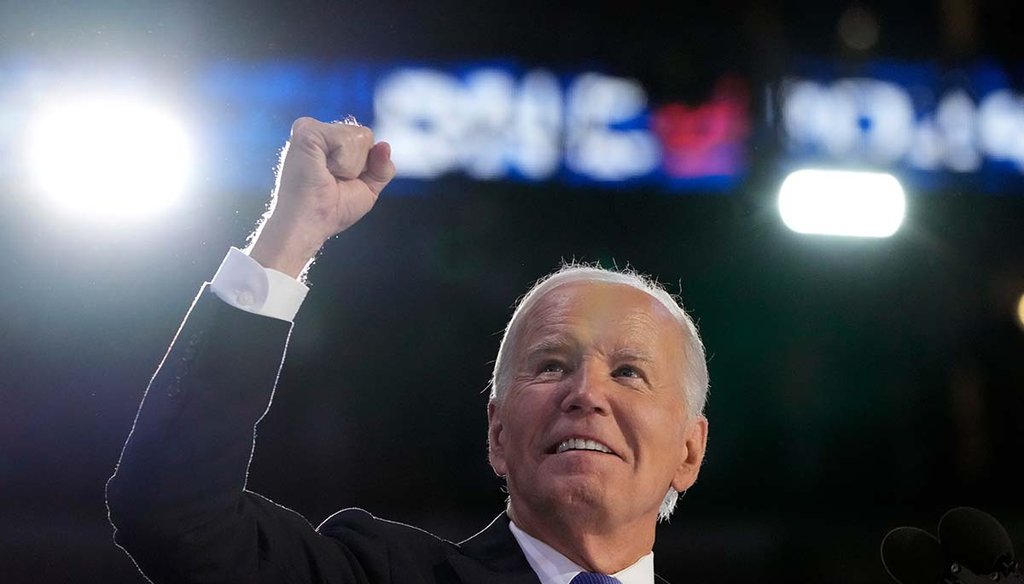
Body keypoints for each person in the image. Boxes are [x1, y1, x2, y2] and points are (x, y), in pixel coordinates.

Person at [106, 117, 710, 584]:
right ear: (497, 435)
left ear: (689, 450)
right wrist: (293, 232)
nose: (586, 394)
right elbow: (172, 510)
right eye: (550, 365)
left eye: (628, 372)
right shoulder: (383, 574)